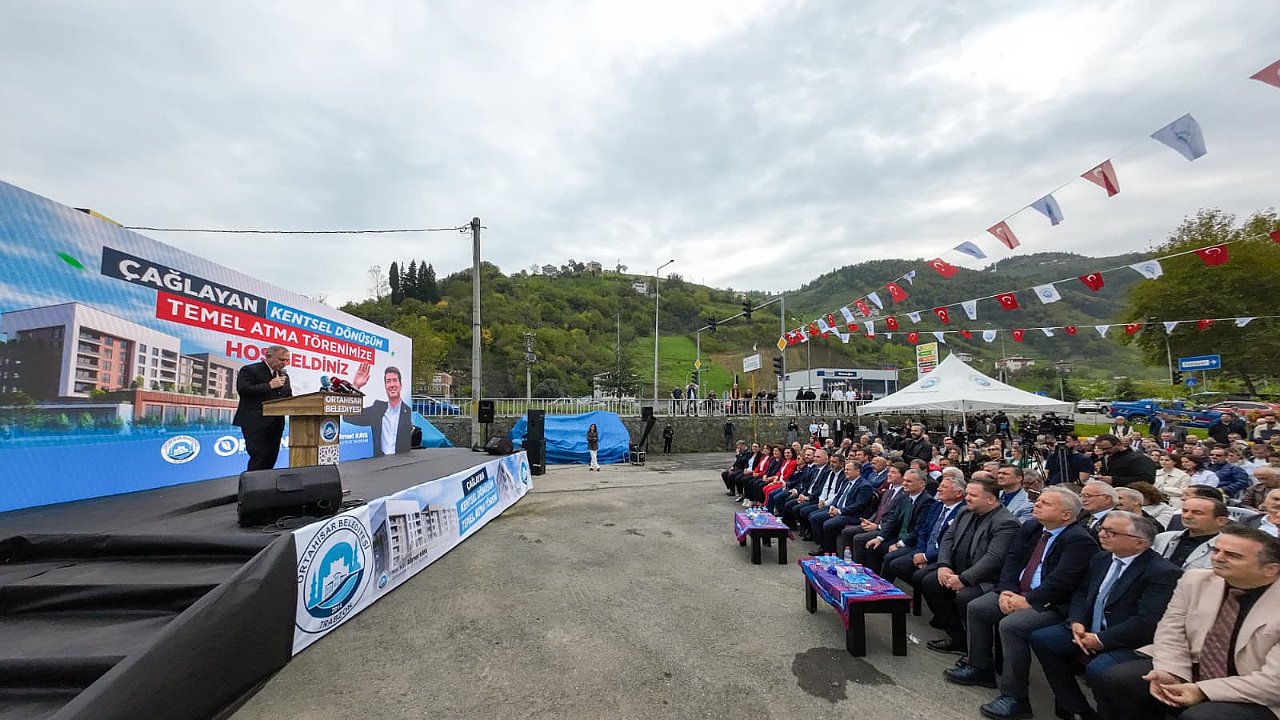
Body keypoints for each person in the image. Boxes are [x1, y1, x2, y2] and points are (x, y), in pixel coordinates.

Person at [1091, 524, 1280, 720]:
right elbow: (1171, 631)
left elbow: (1274, 683)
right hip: (1193, 666)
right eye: (1216, 550)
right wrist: (1171, 671)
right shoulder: (1195, 580)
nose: (1217, 558)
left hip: (1259, 690)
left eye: (1233, 555)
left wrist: (1202, 690)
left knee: (1201, 716)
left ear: (1270, 569)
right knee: (1116, 680)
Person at [944, 488, 1098, 720]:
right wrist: (1007, 590)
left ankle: (1015, 697)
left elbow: (1064, 581)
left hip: (1051, 603)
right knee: (977, 607)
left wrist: (1028, 601)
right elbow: (1012, 560)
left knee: (1012, 625)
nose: (1037, 504)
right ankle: (980, 667)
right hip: (1017, 592)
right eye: (1039, 500)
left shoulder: (1079, 540)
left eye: (1046, 503)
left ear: (1066, 515)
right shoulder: (1032, 527)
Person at [1029, 511, 1182, 720]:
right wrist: (1077, 621)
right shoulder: (1102, 558)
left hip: (1129, 640)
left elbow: (1147, 622)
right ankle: (1076, 708)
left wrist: (1101, 640)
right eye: (1102, 529)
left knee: (1100, 669)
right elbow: (1082, 592)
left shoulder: (1162, 572)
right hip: (1090, 628)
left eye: (1111, 532)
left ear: (1139, 543)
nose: (1102, 534)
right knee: (1044, 639)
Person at [923, 477, 1021, 653]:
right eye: (967, 493)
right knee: (931, 582)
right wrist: (944, 565)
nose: (967, 497)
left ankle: (978, 650)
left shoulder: (1006, 522)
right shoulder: (965, 511)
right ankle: (957, 637)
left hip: (986, 578)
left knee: (965, 597)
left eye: (973, 495)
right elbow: (948, 537)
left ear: (990, 499)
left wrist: (964, 579)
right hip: (958, 568)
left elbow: (994, 558)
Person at [233, 345, 293, 471]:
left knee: (271, 457)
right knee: (259, 457)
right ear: (269, 356)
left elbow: (289, 398)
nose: (285, 364)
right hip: (255, 423)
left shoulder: (284, 376)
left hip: (276, 424)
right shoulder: (250, 370)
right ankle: (252, 489)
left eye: (287, 360)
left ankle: (264, 487)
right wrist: (269, 386)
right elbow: (244, 390)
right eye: (282, 360)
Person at [348, 365, 414, 457]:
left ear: (400, 385)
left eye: (395, 380)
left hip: (402, 465)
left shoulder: (409, 412)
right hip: (380, 466)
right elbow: (349, 417)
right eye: (388, 381)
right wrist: (355, 386)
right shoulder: (377, 409)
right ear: (385, 386)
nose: (392, 385)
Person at [1153, 497, 1230, 570]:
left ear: (1221, 521)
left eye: (1198, 513)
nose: (1187, 516)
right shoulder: (1162, 538)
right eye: (1185, 511)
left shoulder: (1228, 549)